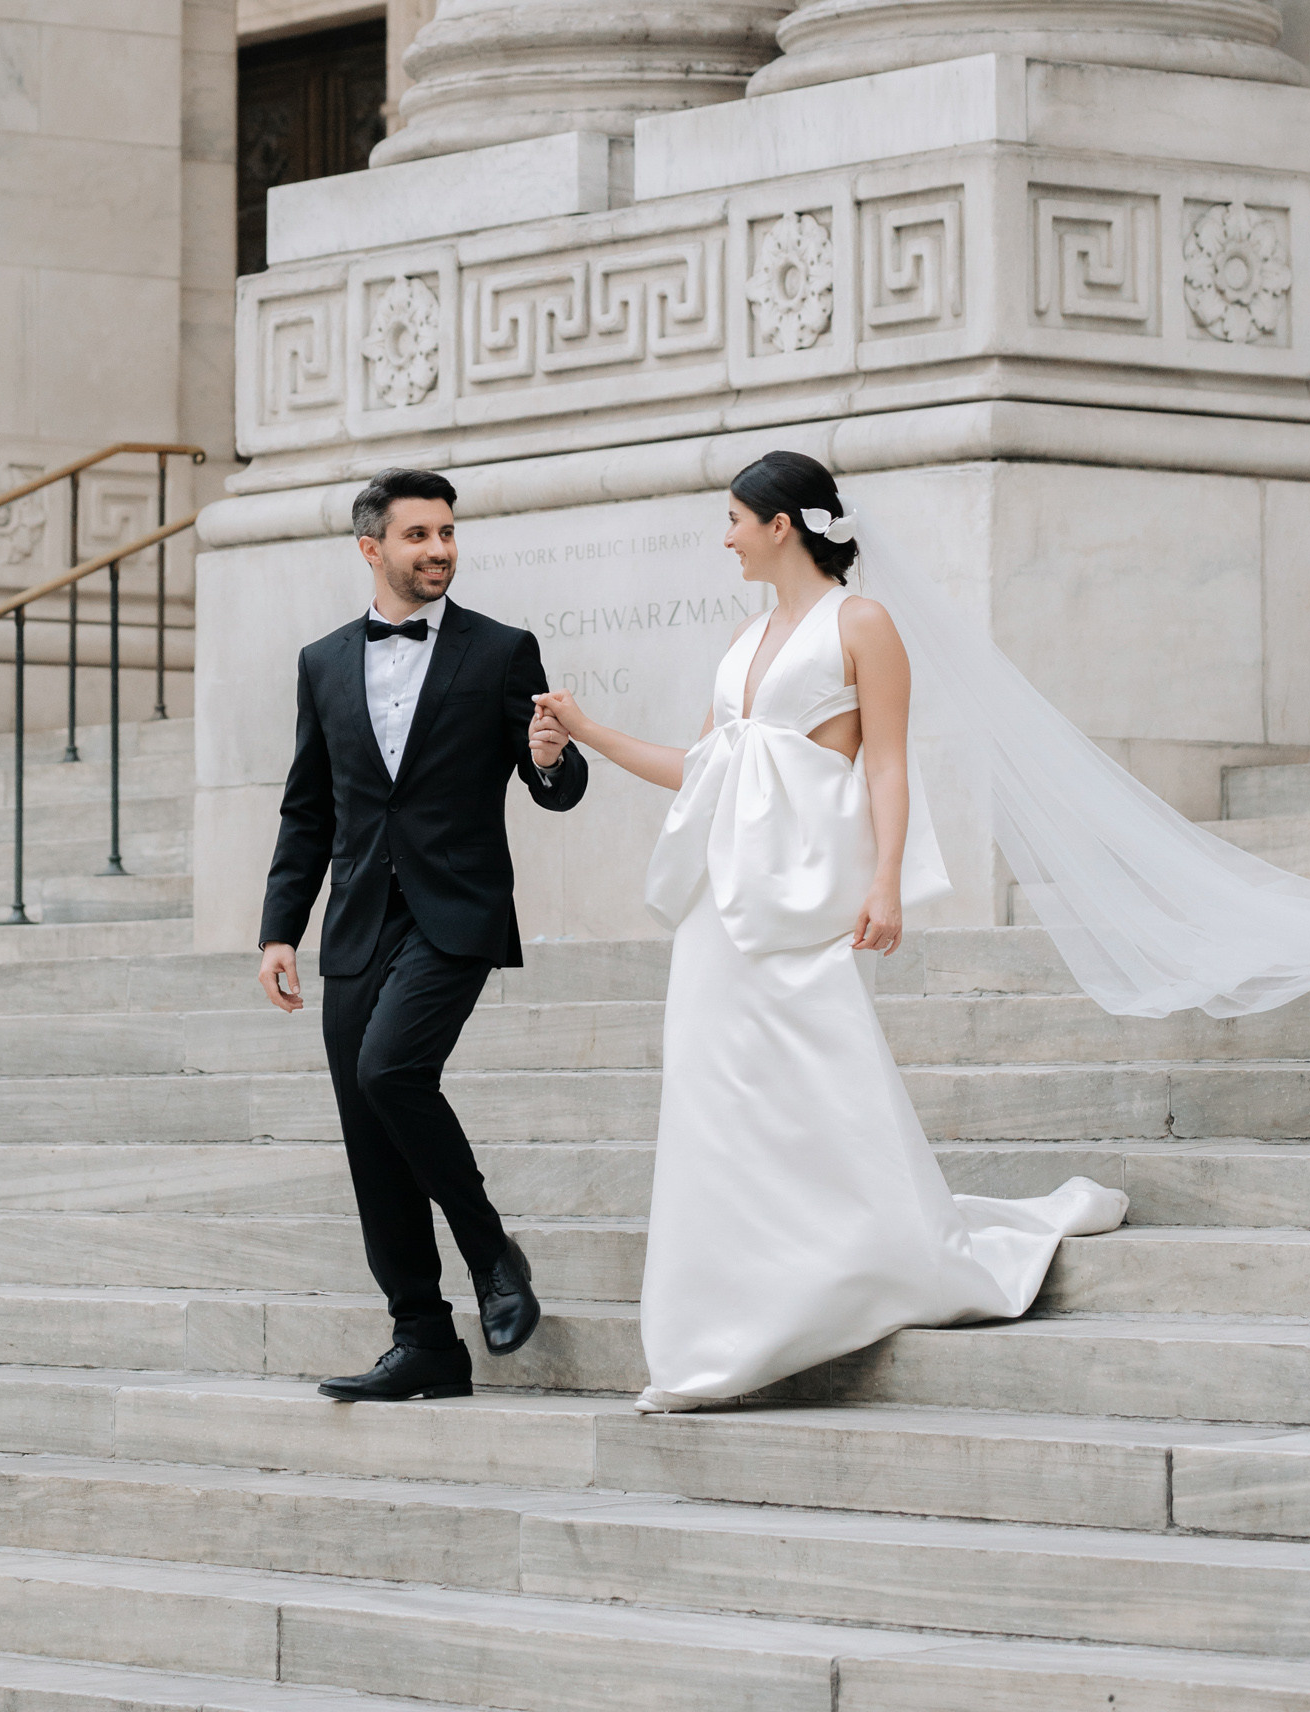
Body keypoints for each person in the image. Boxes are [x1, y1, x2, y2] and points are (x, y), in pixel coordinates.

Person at [533, 448, 1127, 1411]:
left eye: (733, 519)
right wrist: (590, 730)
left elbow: (886, 767)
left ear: (781, 524)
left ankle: (850, 1264)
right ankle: (718, 1324)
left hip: (807, 899)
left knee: (823, 1081)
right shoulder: (742, 638)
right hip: (720, 908)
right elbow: (703, 768)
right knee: (714, 1099)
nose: (723, 537)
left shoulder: (864, 624)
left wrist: (886, 883)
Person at [256, 467, 589, 1403]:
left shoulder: (500, 650)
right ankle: (424, 1343)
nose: (439, 549)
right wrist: (279, 930)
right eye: (418, 536)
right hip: (357, 919)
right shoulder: (323, 662)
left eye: (447, 533)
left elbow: (556, 786)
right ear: (372, 548)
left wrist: (551, 758)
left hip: (457, 911)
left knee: (391, 1072)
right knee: (369, 1130)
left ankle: (490, 1252)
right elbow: (308, 809)